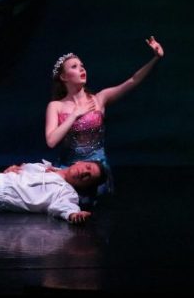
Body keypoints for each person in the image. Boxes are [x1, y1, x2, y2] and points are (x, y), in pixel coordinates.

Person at [46, 35, 165, 205]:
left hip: (95, 168)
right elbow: (51, 141)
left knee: (85, 197)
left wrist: (155, 58)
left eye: (82, 66)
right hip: (69, 167)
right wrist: (74, 115)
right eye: (74, 66)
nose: (81, 69)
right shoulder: (55, 106)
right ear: (64, 77)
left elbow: (133, 80)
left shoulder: (99, 99)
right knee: (48, 189)